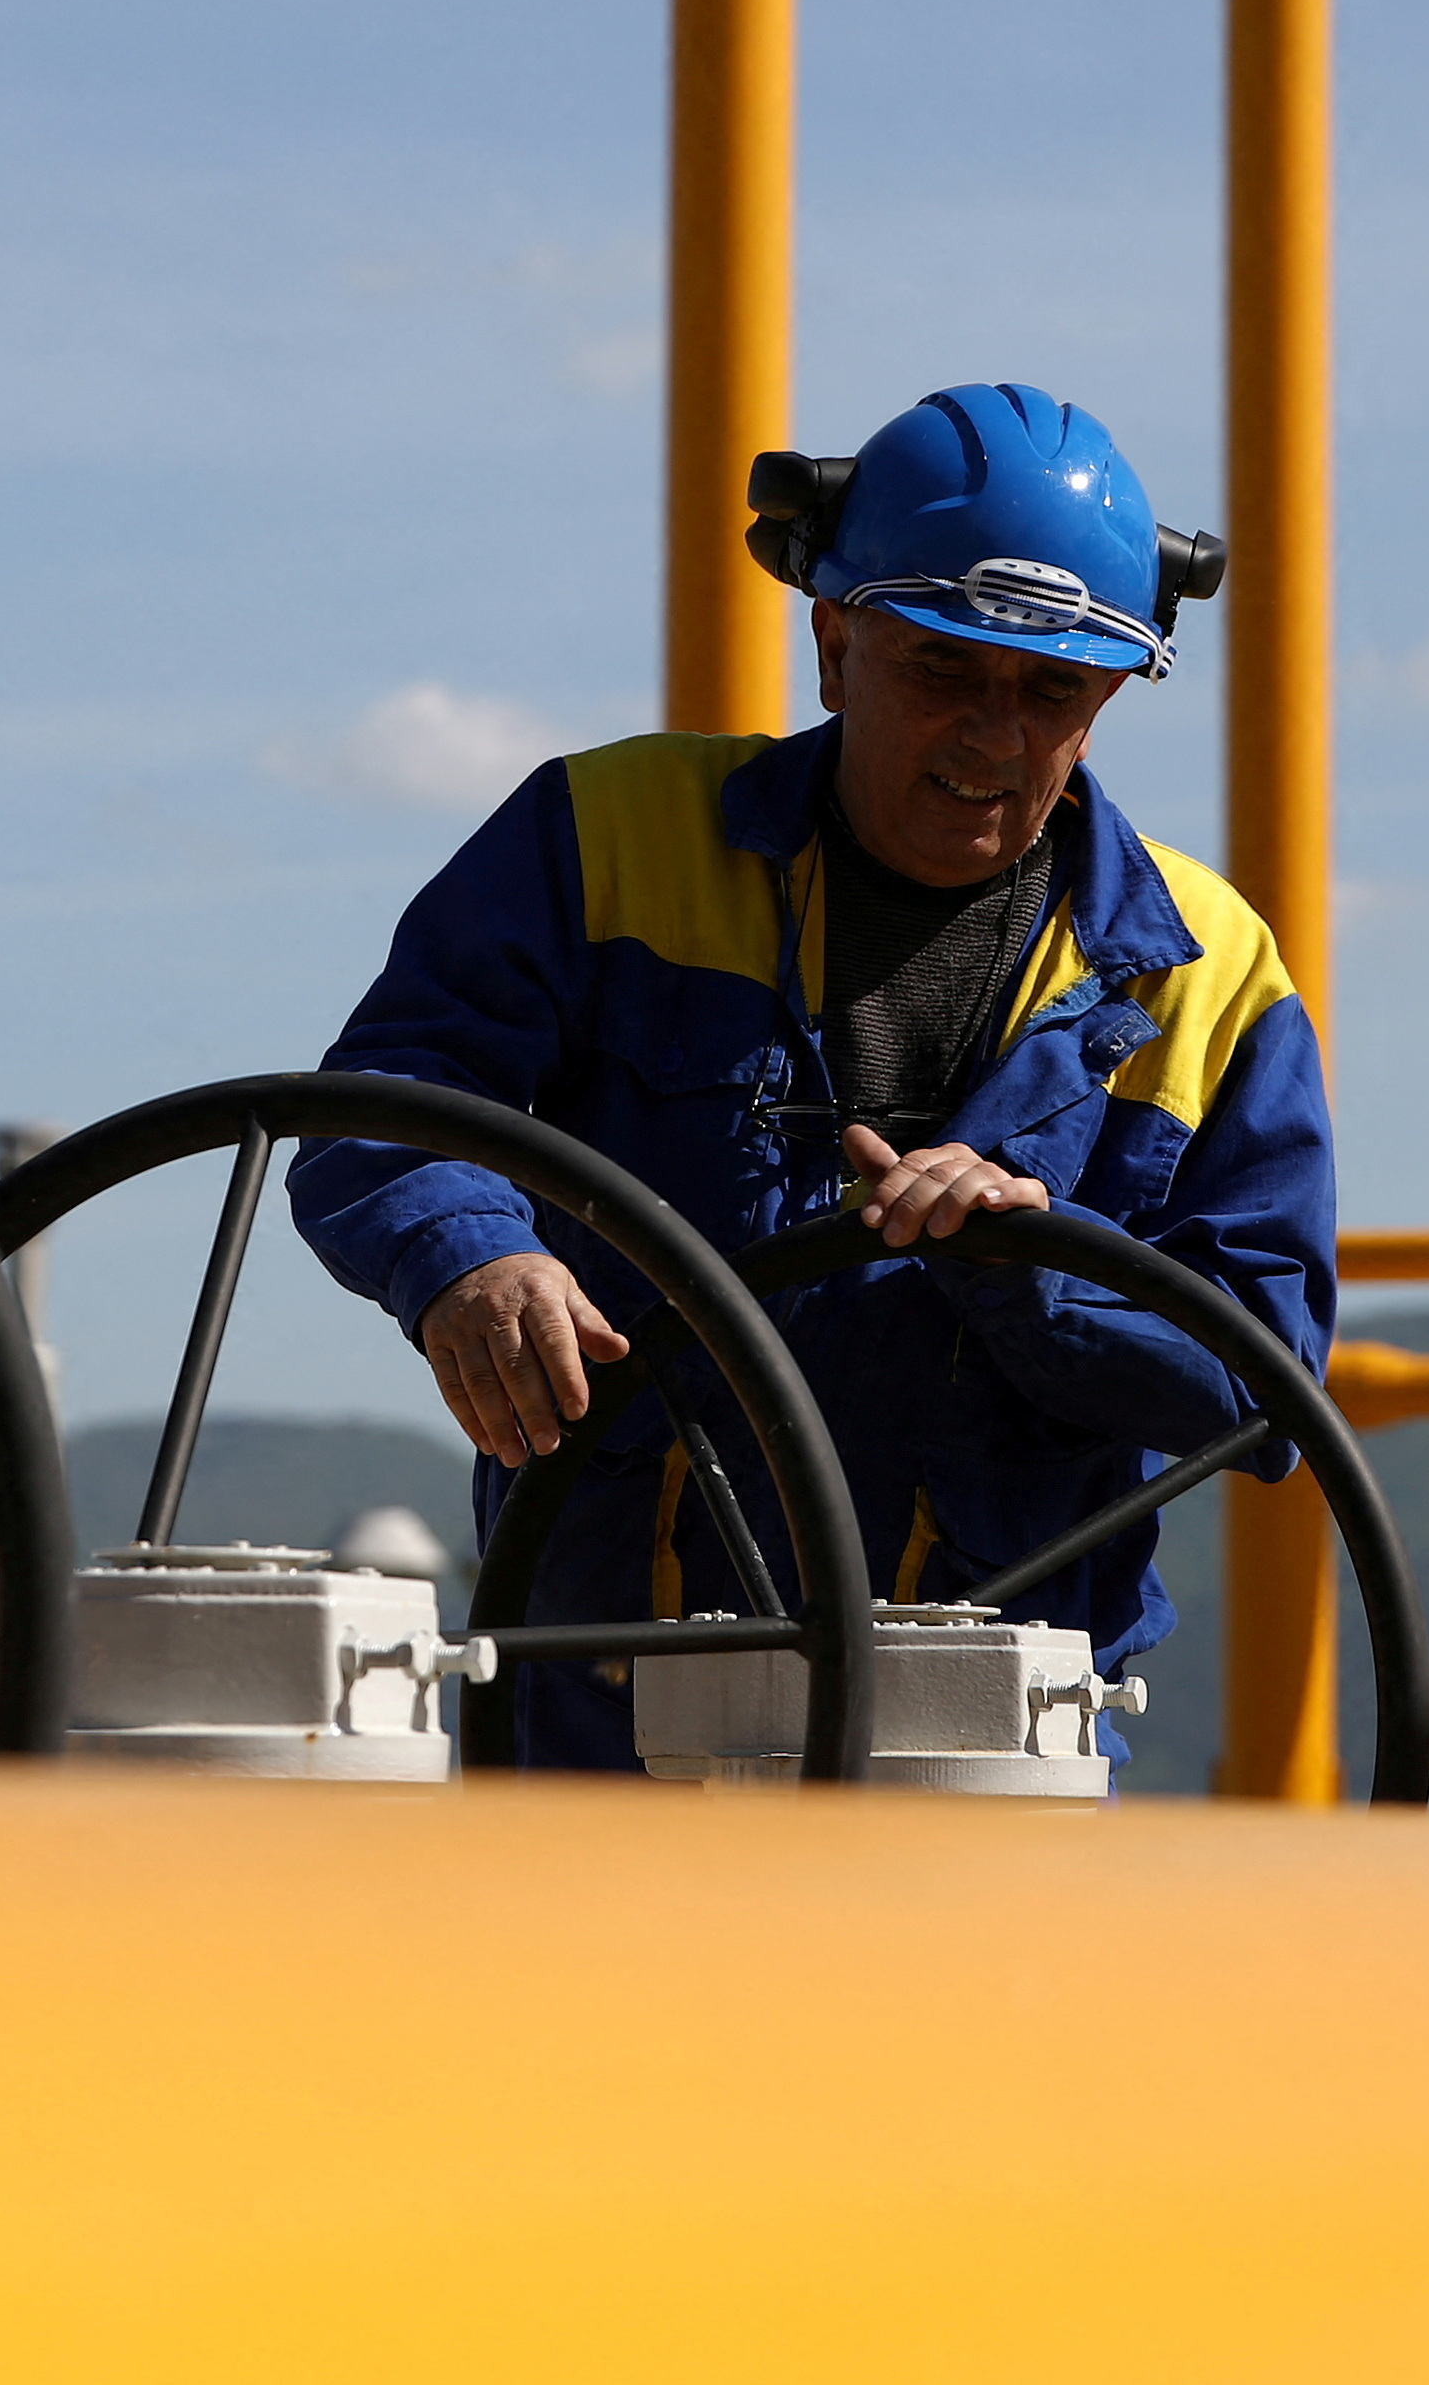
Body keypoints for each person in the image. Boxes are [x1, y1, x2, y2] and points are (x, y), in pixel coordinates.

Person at [289, 381, 1338, 1776]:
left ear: (1107, 693)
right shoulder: (602, 841)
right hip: (601, 1723)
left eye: (1052, 692)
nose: (997, 736)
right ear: (833, 641)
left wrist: (1032, 1263)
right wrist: (467, 1255)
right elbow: (384, 1101)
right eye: (946, 672)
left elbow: (1266, 1376)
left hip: (976, 1758)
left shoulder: (1211, 978)